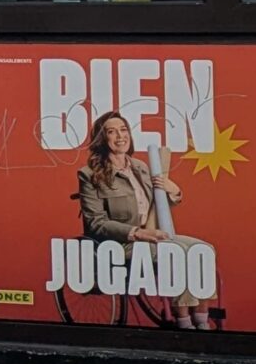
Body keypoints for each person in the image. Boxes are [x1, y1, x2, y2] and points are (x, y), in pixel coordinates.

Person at [77, 111, 214, 330]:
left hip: (151, 234)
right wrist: (138, 233)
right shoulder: (89, 174)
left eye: (123, 130)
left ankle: (201, 318)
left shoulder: (140, 167)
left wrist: (174, 191)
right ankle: (184, 322)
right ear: (102, 139)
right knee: (178, 254)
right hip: (122, 242)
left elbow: (156, 204)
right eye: (112, 132)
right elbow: (96, 223)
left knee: (203, 250)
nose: (120, 136)